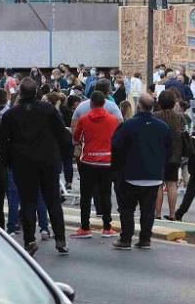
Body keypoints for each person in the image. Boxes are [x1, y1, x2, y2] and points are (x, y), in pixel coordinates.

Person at [0, 77, 69, 255]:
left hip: (23, 164)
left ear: (20, 93)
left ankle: (29, 240)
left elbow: (2, 143)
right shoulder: (48, 110)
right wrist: (61, 156)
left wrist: (8, 163)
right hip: (48, 161)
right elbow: (62, 134)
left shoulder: (11, 114)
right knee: (52, 201)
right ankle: (60, 239)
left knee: (27, 202)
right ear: (37, 92)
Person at [111, 93, 172, 250]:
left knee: (127, 209)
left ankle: (126, 239)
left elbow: (116, 148)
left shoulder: (128, 126)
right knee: (148, 210)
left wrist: (117, 171)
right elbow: (168, 150)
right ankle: (145, 239)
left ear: (138, 106)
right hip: (154, 175)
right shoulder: (162, 127)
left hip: (130, 174)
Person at [70, 91, 119, 239]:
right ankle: (107, 227)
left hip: (88, 161)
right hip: (107, 160)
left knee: (86, 195)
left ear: (91, 103)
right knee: (106, 194)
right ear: (104, 103)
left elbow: (76, 137)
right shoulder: (113, 120)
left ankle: (85, 227)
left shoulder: (84, 119)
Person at [153, 89, 185, 220]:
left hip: (158, 154)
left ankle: (158, 213)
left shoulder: (155, 116)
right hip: (175, 154)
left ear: (160, 103)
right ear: (173, 103)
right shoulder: (179, 117)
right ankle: (172, 214)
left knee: (158, 184)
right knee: (172, 183)